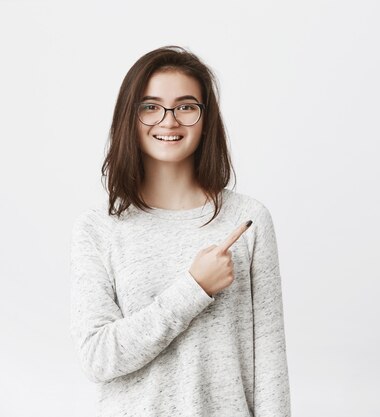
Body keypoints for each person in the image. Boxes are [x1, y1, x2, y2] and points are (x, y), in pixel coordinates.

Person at [69, 45, 291, 417]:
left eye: (186, 106)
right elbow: (98, 358)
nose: (169, 120)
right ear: (130, 117)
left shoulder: (248, 219)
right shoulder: (98, 229)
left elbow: (269, 365)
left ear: (206, 119)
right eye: (151, 106)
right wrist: (194, 288)